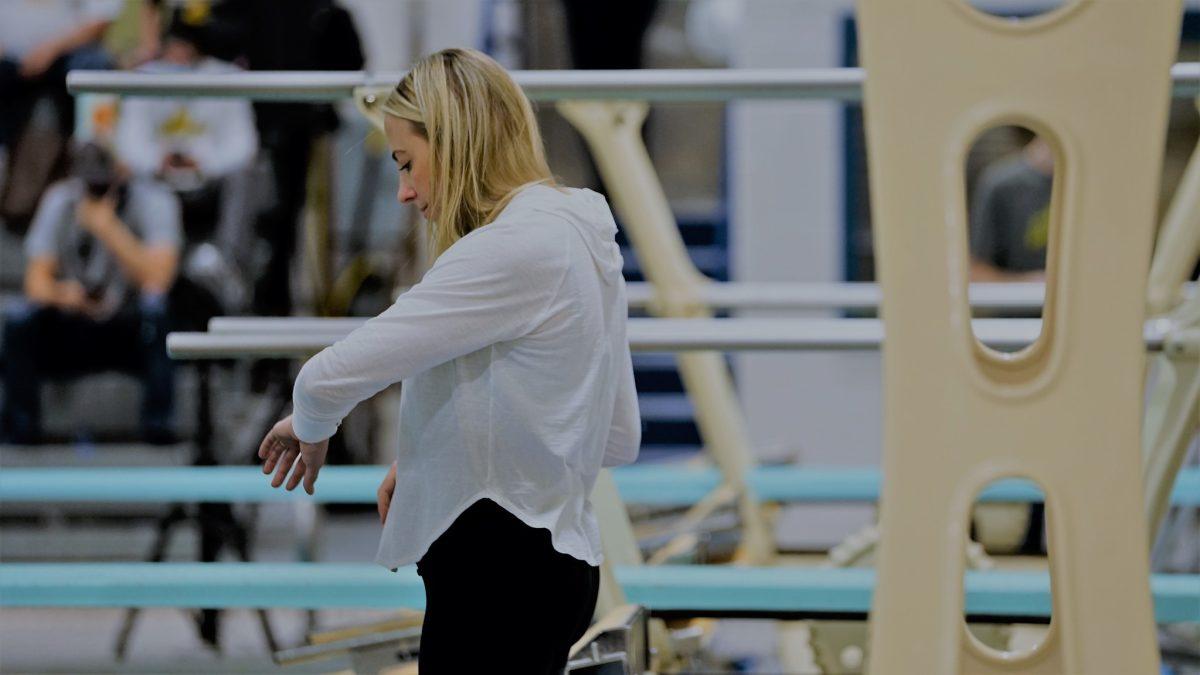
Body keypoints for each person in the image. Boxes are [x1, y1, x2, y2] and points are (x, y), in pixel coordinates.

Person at [255, 48, 641, 673]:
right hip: (564, 568)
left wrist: (310, 421)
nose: (405, 193)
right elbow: (619, 435)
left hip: (494, 574)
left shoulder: (511, 247)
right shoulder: (583, 229)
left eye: (408, 165)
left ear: (457, 141)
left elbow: (333, 373)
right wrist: (440, 459)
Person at [0, 142, 181, 444]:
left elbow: (159, 279)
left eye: (103, 184)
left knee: (156, 309)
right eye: (90, 184)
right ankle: (20, 432)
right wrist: (64, 295)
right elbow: (35, 283)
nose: (95, 191)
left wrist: (108, 228)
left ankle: (158, 431)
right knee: (19, 319)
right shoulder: (62, 199)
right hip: (74, 322)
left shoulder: (154, 199)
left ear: (122, 174)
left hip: (129, 326)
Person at [968, 135, 1054, 283]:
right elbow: (976, 270)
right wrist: (1029, 283)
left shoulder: (1091, 183)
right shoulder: (1000, 183)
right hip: (1014, 304)